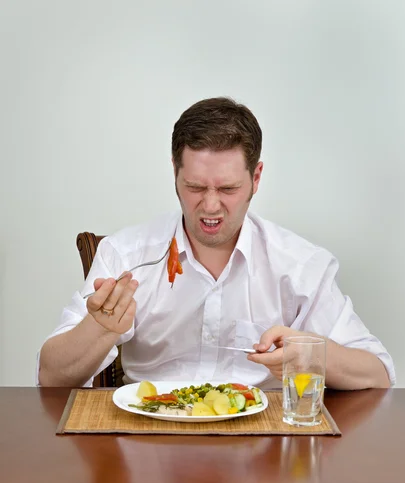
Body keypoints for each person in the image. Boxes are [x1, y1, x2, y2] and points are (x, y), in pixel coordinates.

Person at [38, 97, 395, 389]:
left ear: (256, 178)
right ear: (175, 174)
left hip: (261, 455)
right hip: (148, 448)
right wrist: (98, 329)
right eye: (195, 188)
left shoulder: (299, 264)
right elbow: (50, 377)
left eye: (227, 189)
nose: (210, 206)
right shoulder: (126, 255)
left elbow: (378, 373)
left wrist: (311, 356)